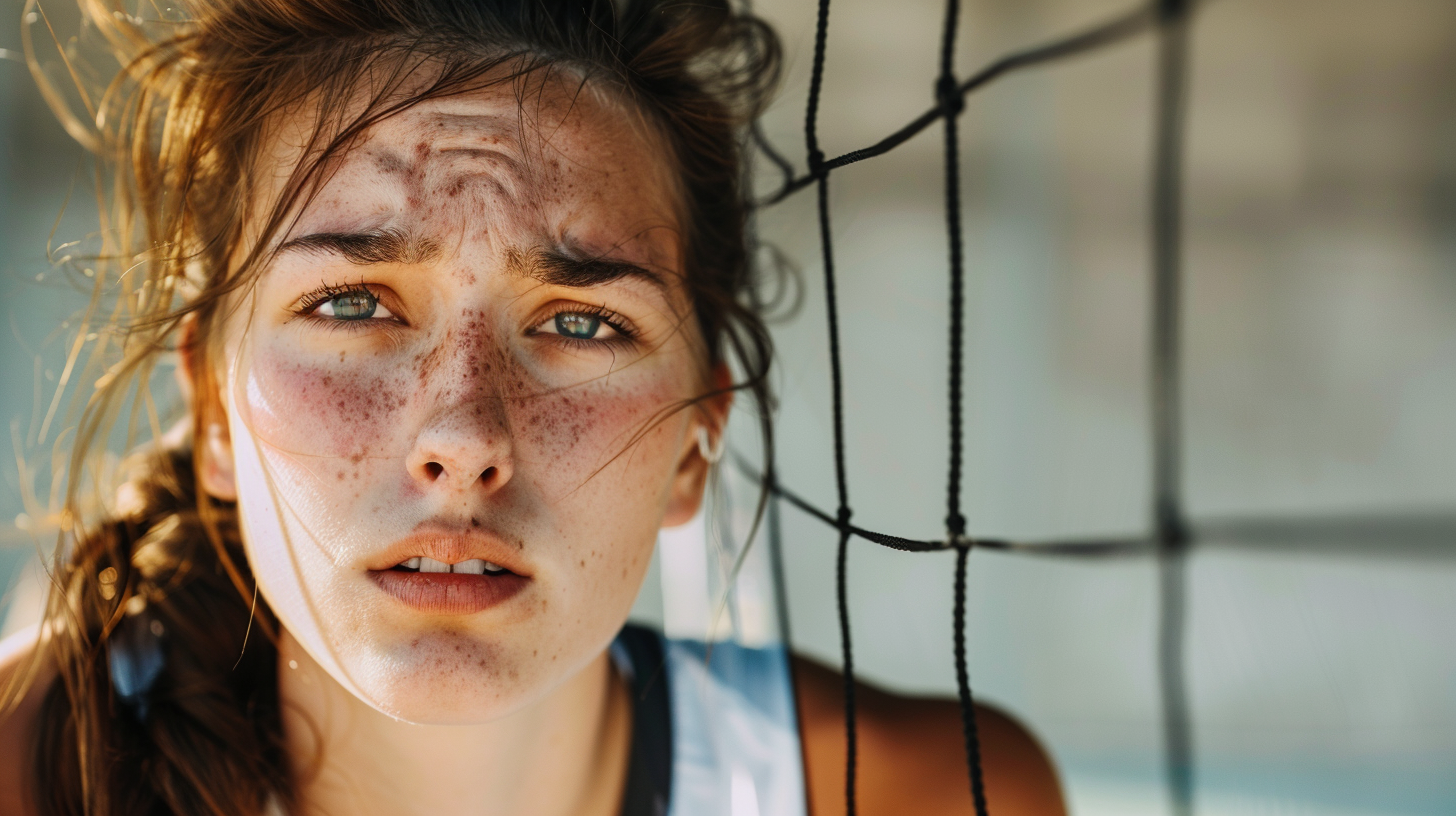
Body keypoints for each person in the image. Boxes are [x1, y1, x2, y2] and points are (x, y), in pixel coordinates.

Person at [0, 1, 1065, 814]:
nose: (463, 438)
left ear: (699, 443)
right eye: (354, 303)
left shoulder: (921, 793)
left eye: (582, 324)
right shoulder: (30, 769)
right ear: (214, 413)